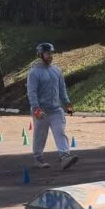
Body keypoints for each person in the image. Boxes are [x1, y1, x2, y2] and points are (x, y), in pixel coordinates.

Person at [27, 42, 79, 170]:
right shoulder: (34, 73)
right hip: (41, 110)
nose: (50, 56)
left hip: (56, 109)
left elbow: (62, 89)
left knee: (60, 132)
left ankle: (65, 156)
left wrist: (67, 104)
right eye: (48, 53)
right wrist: (36, 108)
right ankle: (38, 159)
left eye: (51, 53)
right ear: (41, 54)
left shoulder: (56, 70)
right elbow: (32, 92)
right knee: (40, 135)